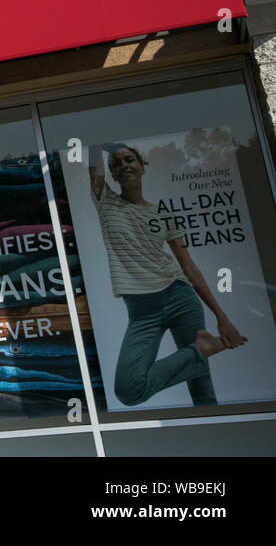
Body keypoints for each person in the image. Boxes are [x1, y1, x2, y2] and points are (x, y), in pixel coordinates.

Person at [89, 142, 246, 407]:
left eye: (130, 160)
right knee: (129, 389)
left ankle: (214, 436)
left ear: (142, 168)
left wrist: (222, 317)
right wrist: (110, 146)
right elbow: (92, 157)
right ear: (113, 175)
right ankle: (201, 349)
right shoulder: (106, 200)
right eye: (117, 164)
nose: (124, 165)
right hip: (142, 311)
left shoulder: (162, 213)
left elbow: (188, 265)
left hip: (180, 296)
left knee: (201, 386)